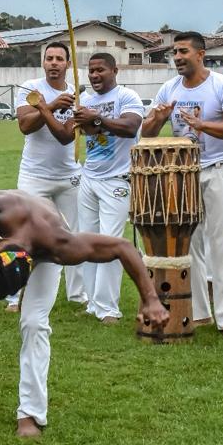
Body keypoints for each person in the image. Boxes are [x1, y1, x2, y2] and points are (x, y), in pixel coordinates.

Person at [0, 159, 169, 437]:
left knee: (35, 323)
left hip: (44, 239)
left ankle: (30, 414)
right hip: (6, 234)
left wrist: (151, 299)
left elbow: (123, 247)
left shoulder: (61, 247)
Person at [141, 32, 223, 334]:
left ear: (200, 54)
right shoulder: (168, 88)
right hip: (182, 174)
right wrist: (156, 118)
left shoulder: (222, 86)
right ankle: (200, 312)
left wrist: (203, 125)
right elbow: (146, 134)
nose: (177, 57)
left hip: (219, 170)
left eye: (183, 51)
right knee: (189, 245)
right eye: (174, 52)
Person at [40, 53, 143, 324]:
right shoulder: (83, 101)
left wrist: (96, 120)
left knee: (110, 243)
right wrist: (45, 109)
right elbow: (64, 136)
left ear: (115, 70)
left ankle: (108, 308)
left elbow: (130, 128)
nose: (95, 75)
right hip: (89, 178)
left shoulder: (126, 97)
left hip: (118, 180)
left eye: (100, 70)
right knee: (86, 241)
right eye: (91, 71)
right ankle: (93, 303)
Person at [5, 41, 83, 312]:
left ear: (68, 64)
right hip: (34, 175)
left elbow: (66, 136)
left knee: (73, 234)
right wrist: (48, 105)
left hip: (69, 175)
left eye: (59, 59)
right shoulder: (30, 88)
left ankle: (77, 295)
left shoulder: (76, 93)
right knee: (23, 234)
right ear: (43, 62)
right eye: (49, 58)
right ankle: (14, 295)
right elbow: (25, 126)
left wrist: (49, 108)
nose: (53, 63)